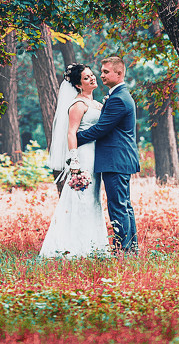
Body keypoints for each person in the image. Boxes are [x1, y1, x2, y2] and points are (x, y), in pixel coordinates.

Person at [40, 63, 110, 258]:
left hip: (97, 156)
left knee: (93, 199)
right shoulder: (78, 105)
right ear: (79, 85)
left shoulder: (96, 104)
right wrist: (75, 162)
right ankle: (77, 247)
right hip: (84, 155)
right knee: (82, 199)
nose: (93, 78)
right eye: (87, 78)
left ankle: (95, 245)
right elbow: (71, 133)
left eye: (92, 75)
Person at [76, 55, 140, 253]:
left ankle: (123, 252)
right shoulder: (118, 96)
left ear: (118, 73)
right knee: (123, 205)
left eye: (105, 72)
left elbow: (100, 130)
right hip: (117, 159)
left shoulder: (119, 100)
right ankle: (130, 250)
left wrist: (73, 140)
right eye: (101, 71)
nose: (101, 75)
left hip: (116, 159)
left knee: (118, 206)